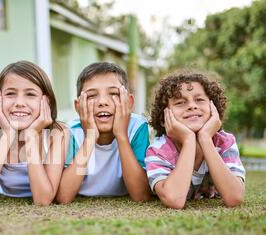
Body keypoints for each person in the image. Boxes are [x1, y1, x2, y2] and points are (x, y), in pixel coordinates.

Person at [145, 71, 245, 209]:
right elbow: (174, 199)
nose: (192, 106)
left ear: (214, 108)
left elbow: (234, 198)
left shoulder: (225, 143)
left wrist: (205, 138)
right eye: (180, 102)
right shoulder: (158, 151)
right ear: (164, 118)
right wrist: (188, 140)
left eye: (199, 100)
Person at [56, 62, 151, 203]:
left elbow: (141, 195)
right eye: (92, 96)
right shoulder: (71, 132)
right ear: (78, 106)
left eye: (113, 93)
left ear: (129, 102)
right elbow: (64, 197)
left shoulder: (137, 126)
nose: (102, 102)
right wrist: (90, 137)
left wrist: (121, 135)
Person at [0, 61, 69, 205]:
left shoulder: (58, 133)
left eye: (30, 94)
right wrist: (7, 135)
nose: (19, 102)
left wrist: (31, 136)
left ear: (47, 101)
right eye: (11, 94)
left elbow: (43, 200)